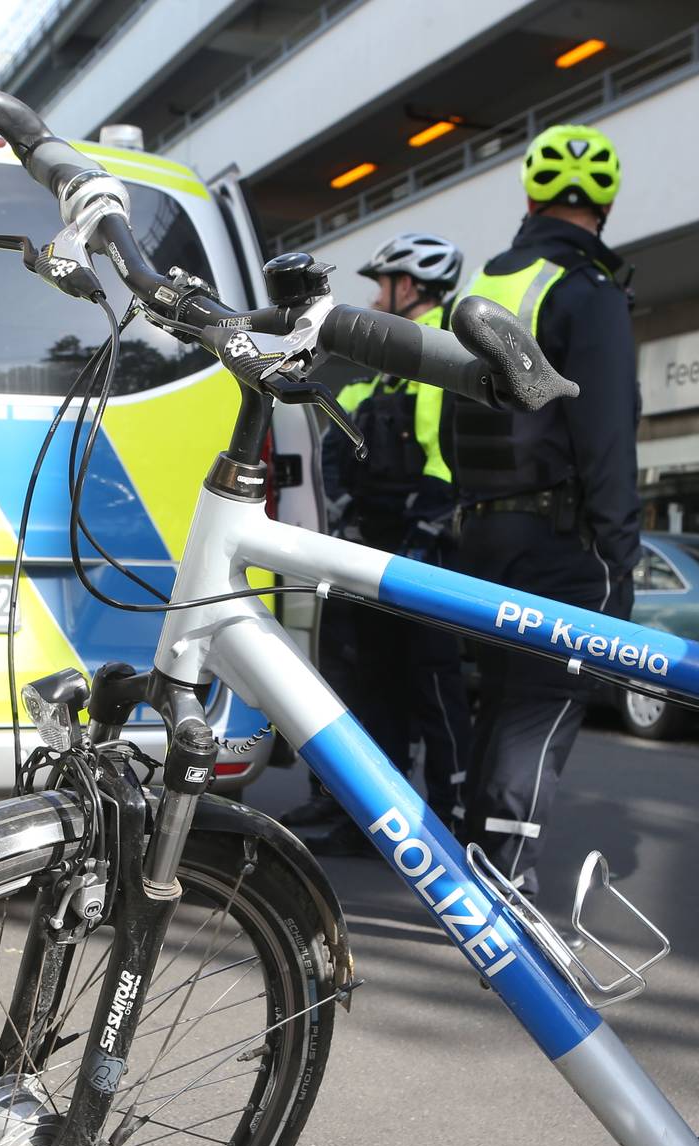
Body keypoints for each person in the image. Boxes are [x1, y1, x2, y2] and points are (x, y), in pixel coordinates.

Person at [449, 123, 641, 895]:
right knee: (544, 706)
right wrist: (620, 558)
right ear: (606, 203)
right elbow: (606, 437)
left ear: (530, 195)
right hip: (559, 542)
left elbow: (444, 419)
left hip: (478, 532)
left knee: (493, 707)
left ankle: (468, 870)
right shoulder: (590, 295)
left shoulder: (488, 285)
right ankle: (507, 882)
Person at [281, 233, 473, 852]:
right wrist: (339, 505)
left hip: (422, 549)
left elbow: (448, 456)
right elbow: (340, 433)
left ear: (410, 286)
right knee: (366, 681)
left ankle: (452, 816)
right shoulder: (388, 359)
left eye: (383, 282)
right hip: (369, 550)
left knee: (432, 684)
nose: (374, 295)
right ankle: (365, 814)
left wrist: (428, 525)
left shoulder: (445, 348)